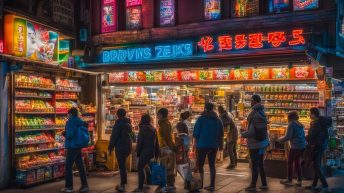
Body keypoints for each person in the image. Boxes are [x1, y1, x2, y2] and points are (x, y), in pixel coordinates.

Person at [193, 102, 224, 192]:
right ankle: (212, 185)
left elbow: (196, 133)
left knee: (200, 165)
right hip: (214, 145)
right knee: (212, 165)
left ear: (205, 108)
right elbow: (221, 134)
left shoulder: (201, 119)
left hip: (202, 145)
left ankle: (200, 184)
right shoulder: (218, 120)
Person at [241, 95, 269, 192]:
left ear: (254, 101)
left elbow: (252, 132)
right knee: (260, 164)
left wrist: (243, 134)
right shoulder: (262, 113)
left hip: (254, 143)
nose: (250, 102)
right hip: (262, 142)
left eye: (251, 101)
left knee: (254, 165)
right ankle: (264, 183)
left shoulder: (253, 115)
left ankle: (253, 185)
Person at [61, 107, 89, 193]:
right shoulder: (80, 121)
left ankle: (69, 187)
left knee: (68, 167)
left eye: (68, 114)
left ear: (70, 114)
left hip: (72, 146)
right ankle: (85, 185)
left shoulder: (70, 122)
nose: (67, 116)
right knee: (80, 166)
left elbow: (70, 135)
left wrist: (64, 133)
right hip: (78, 146)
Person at [132, 114, 160, 193]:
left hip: (144, 151)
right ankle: (148, 183)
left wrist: (138, 151)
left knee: (140, 168)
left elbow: (140, 142)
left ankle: (140, 187)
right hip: (151, 152)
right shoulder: (153, 129)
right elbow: (156, 143)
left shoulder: (142, 129)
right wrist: (156, 153)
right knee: (147, 166)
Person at [305, 107, 330, 193]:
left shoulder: (316, 124)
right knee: (317, 165)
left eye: (310, 113)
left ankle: (325, 186)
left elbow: (311, 136)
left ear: (314, 114)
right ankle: (314, 185)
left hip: (316, 146)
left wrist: (304, 137)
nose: (309, 115)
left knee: (316, 167)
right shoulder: (321, 121)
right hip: (321, 145)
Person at [278, 111, 306, 186]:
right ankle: (299, 180)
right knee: (297, 162)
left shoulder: (291, 124)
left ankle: (289, 179)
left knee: (290, 162)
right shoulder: (299, 124)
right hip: (302, 145)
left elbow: (288, 136)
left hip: (295, 146)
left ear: (290, 117)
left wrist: (279, 139)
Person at [108, 108, 133, 192]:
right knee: (122, 165)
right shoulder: (128, 123)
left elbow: (114, 137)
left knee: (121, 166)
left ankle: (122, 184)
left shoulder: (118, 124)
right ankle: (123, 183)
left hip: (120, 147)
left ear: (117, 115)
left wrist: (110, 148)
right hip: (128, 147)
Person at [157, 108, 176, 193]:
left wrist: (168, 148)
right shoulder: (163, 123)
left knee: (168, 166)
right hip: (165, 147)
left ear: (161, 115)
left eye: (158, 114)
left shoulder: (164, 124)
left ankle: (170, 185)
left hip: (166, 148)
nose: (157, 116)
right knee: (166, 166)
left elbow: (167, 137)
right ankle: (169, 184)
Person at [218, 105, 238, 169]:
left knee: (230, 149)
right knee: (233, 149)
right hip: (234, 132)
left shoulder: (224, 116)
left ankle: (232, 164)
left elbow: (227, 127)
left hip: (232, 134)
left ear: (219, 110)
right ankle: (235, 163)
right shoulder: (225, 114)